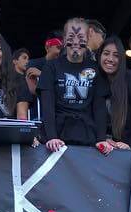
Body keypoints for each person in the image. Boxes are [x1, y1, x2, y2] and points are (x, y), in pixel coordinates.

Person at [39, 18, 110, 151]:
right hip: (58, 134)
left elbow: (99, 107)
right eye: (71, 37)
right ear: (64, 40)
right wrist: (51, 137)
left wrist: (101, 138)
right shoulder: (51, 67)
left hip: (87, 135)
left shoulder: (96, 69)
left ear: (87, 39)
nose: (76, 42)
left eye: (81, 37)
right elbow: (47, 105)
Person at [98, 36, 131, 150]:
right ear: (99, 55)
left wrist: (130, 144)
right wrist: (102, 138)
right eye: (106, 53)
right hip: (104, 145)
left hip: (128, 146)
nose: (110, 59)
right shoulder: (95, 78)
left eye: (116, 55)